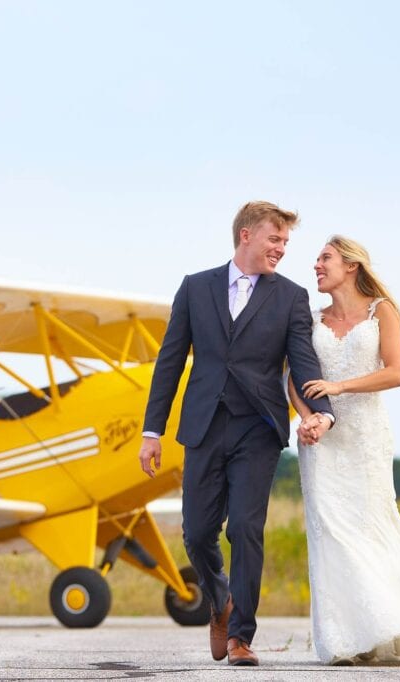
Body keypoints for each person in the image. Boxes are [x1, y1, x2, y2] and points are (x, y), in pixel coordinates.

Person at [139, 201, 334, 666]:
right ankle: (220, 602)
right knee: (197, 532)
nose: (282, 249)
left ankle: (241, 635)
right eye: (275, 239)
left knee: (246, 528)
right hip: (204, 425)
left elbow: (303, 361)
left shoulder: (290, 297)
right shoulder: (195, 288)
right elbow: (170, 362)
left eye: (286, 242)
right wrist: (152, 431)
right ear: (246, 235)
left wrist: (321, 411)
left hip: (259, 427)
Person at [290, 236, 400, 666]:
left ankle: (393, 624)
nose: (316, 265)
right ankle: (347, 637)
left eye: (325, 258)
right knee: (329, 531)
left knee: (371, 526)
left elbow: (397, 372)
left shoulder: (381, 311)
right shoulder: (311, 320)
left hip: (366, 436)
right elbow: (294, 378)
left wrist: (339, 387)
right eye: (316, 259)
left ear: (351, 266)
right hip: (322, 441)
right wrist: (307, 416)